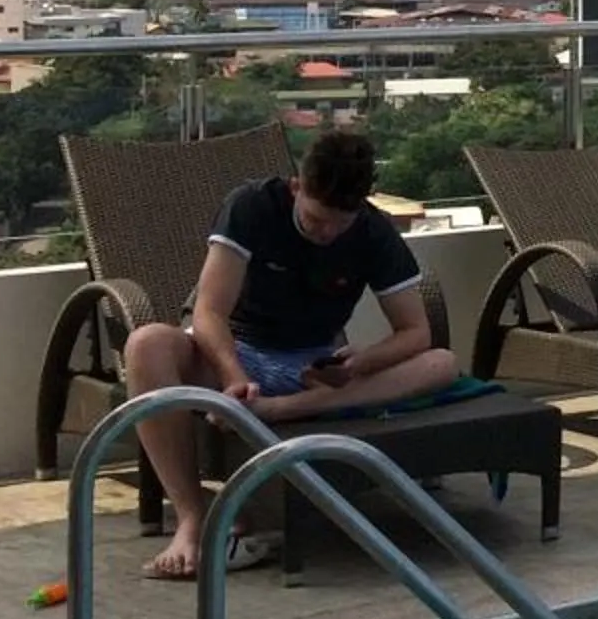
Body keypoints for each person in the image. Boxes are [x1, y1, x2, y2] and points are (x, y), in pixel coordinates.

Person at [122, 129, 457, 581]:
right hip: (235, 349)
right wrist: (233, 376)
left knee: (442, 364)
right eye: (316, 219)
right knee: (146, 344)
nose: (326, 233)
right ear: (296, 187)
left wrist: (360, 363)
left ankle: (281, 410)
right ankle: (193, 515)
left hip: (310, 370)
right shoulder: (253, 207)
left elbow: (415, 332)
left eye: (340, 224)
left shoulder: (373, 232)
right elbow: (209, 311)